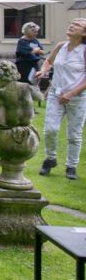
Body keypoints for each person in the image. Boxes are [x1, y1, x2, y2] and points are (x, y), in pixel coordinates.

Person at [37, 18, 86, 180]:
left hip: (77, 98)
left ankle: (71, 166)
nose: (72, 25)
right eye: (71, 23)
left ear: (84, 33)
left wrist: (71, 94)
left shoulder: (84, 51)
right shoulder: (60, 46)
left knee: (74, 135)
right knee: (50, 130)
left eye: (77, 25)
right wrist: (44, 71)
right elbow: (48, 61)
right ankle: (50, 159)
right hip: (55, 95)